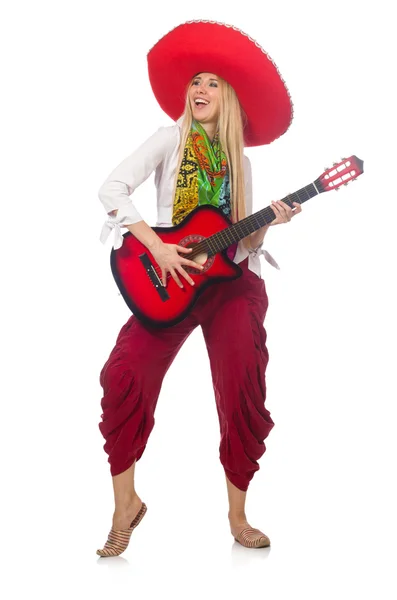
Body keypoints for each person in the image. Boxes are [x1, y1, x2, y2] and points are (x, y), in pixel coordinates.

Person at [96, 20, 302, 556]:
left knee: (241, 388)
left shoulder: (242, 161)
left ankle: (237, 516)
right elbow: (111, 187)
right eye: (196, 82)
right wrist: (158, 247)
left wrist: (269, 222)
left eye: (212, 83)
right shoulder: (171, 138)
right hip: (172, 278)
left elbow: (242, 240)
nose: (200, 91)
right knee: (124, 373)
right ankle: (126, 503)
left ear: (228, 97)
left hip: (229, 284)